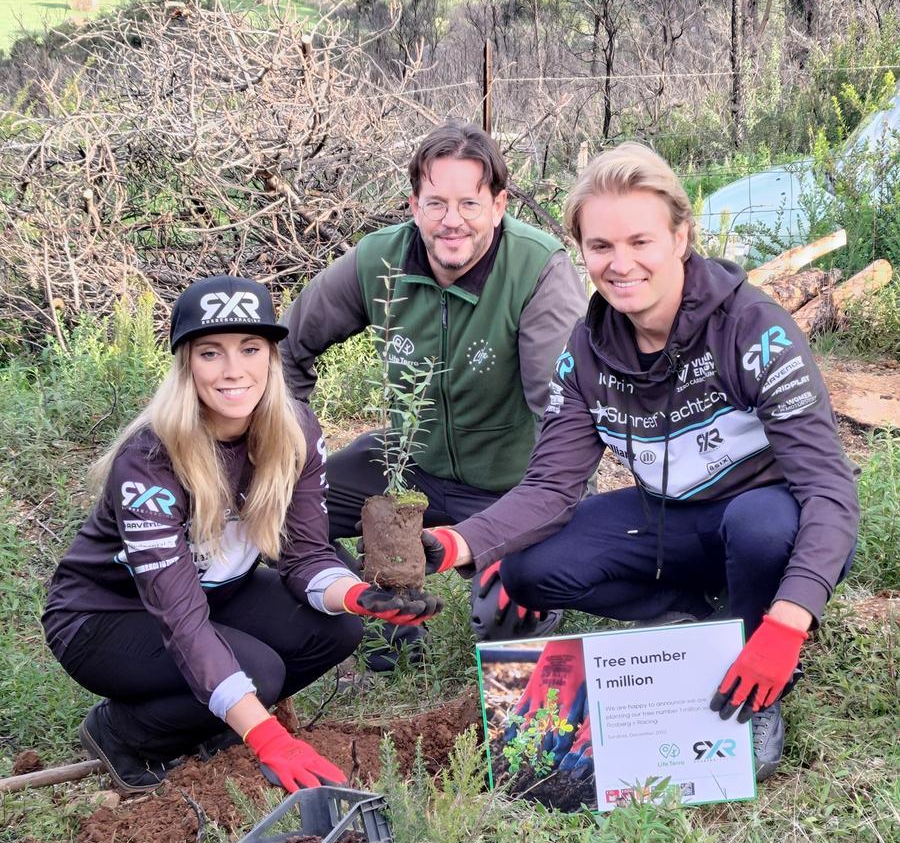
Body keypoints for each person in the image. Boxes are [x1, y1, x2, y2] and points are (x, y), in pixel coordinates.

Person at [420, 143, 859, 782]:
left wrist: (790, 620)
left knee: (763, 527)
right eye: (600, 246)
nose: (620, 264)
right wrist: (457, 543)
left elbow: (829, 489)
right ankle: (702, 622)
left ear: (681, 237)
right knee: (530, 566)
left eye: (640, 241)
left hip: (769, 519)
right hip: (669, 518)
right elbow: (550, 486)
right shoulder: (587, 348)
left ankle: (762, 682)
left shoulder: (752, 329)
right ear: (580, 250)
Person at [42, 275, 440, 794]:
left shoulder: (295, 430)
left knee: (336, 628)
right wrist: (268, 735)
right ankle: (122, 733)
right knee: (257, 673)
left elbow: (307, 556)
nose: (234, 371)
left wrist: (360, 598)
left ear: (272, 357)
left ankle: (210, 726)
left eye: (250, 349)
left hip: (216, 592)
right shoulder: (150, 460)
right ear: (186, 365)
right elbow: (181, 620)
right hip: (104, 616)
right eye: (211, 353)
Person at [280, 121, 587, 653]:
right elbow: (286, 349)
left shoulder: (538, 271)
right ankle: (379, 605)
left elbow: (562, 412)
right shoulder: (378, 260)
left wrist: (523, 522)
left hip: (506, 484)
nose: (452, 222)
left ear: (498, 205)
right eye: (436, 203)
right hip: (406, 463)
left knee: (505, 614)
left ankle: (523, 586)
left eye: (469, 203)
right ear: (413, 205)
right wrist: (288, 450)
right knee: (278, 513)